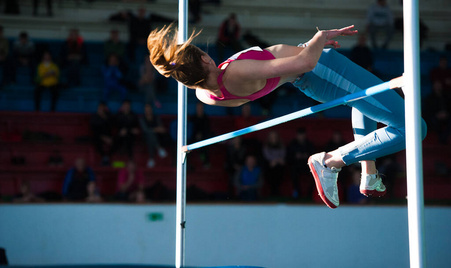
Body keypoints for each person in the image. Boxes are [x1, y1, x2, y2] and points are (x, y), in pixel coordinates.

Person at [147, 24, 427, 209]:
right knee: (414, 128)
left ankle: (369, 174)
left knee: (363, 103)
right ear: (205, 60)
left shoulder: (205, 94)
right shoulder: (236, 73)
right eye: (203, 53)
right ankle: (330, 161)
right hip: (320, 69)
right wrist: (319, 38)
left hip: (310, 82)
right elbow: (306, 61)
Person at [286, 127, 315, 199]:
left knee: (315, 172)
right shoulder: (292, 144)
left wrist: (306, 156)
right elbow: (289, 157)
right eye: (300, 135)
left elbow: (313, 156)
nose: (301, 137)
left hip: (307, 166)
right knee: (293, 171)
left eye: (302, 135)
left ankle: (311, 193)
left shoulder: (309, 144)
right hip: (296, 166)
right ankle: (296, 192)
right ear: (297, 135)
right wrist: (296, 156)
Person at [139, 103, 168, 168]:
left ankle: (151, 158)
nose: (148, 111)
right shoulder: (142, 119)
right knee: (150, 136)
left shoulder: (156, 117)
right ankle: (159, 148)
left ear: (151, 110)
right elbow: (145, 130)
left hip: (158, 137)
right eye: (146, 110)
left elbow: (161, 128)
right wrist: (155, 129)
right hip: (145, 137)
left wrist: (156, 130)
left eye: (149, 109)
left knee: (151, 138)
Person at [262, 130, 286, 198]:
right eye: (272, 137)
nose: (273, 138)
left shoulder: (281, 145)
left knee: (279, 168)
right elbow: (267, 155)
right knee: (271, 168)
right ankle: (272, 190)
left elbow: (283, 154)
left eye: (275, 137)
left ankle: (277, 190)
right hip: (269, 164)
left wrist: (277, 160)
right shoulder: (266, 146)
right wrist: (274, 160)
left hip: (279, 164)